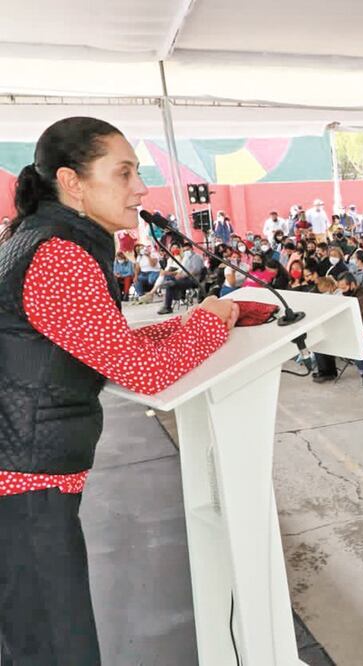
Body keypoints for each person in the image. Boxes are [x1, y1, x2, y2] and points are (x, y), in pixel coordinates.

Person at [0, 116, 237, 663]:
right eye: (125, 172)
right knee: (59, 653)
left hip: (25, 483)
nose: (141, 188)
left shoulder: (39, 238)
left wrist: (183, 325)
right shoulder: (60, 255)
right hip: (26, 493)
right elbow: (141, 372)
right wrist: (211, 323)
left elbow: (97, 343)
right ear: (72, 181)